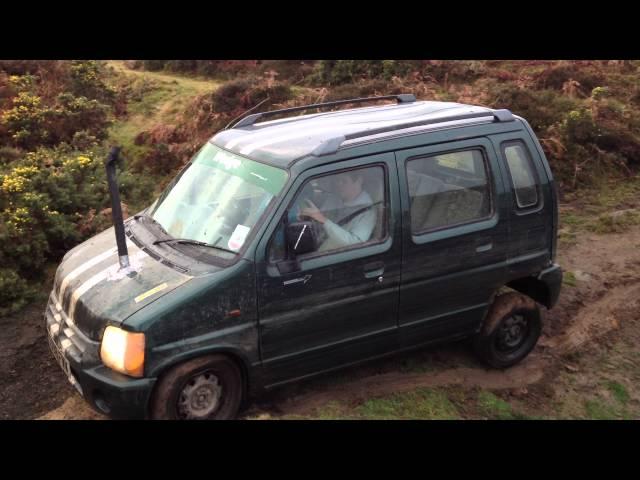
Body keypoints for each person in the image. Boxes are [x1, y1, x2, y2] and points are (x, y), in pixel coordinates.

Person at [299, 170, 376, 252]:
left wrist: (324, 220)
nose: (339, 184)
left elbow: (355, 243)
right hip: (316, 247)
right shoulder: (334, 198)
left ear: (358, 181)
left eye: (344, 181)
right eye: (337, 180)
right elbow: (319, 220)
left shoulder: (367, 211)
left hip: (333, 256)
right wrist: (308, 217)